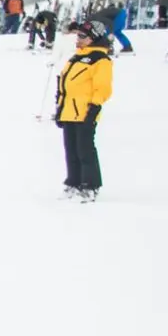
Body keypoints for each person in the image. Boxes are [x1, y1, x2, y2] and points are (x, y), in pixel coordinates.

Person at [56, 21, 115, 201]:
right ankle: (73, 182)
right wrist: (59, 107)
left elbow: (103, 88)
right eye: (78, 36)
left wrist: (94, 108)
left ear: (93, 38)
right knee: (71, 149)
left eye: (82, 37)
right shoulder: (76, 57)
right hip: (69, 111)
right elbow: (64, 84)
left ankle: (91, 184)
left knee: (85, 149)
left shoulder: (101, 60)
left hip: (85, 111)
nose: (78, 40)